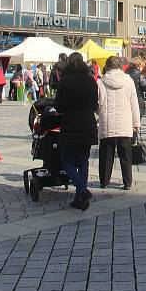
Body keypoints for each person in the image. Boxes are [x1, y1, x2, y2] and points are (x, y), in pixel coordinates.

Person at [53, 52, 98, 211]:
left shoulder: (65, 81)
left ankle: (82, 190)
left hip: (71, 124)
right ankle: (80, 196)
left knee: (68, 161)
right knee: (83, 161)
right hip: (87, 124)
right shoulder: (91, 81)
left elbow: (59, 105)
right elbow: (94, 104)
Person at [97, 56, 141, 191]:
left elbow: (98, 102)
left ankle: (104, 181)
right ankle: (127, 182)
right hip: (125, 121)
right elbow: (134, 103)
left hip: (107, 121)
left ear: (107, 66)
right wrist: (136, 122)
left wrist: (100, 114)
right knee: (125, 154)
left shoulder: (101, 82)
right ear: (120, 66)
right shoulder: (128, 81)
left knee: (106, 153)